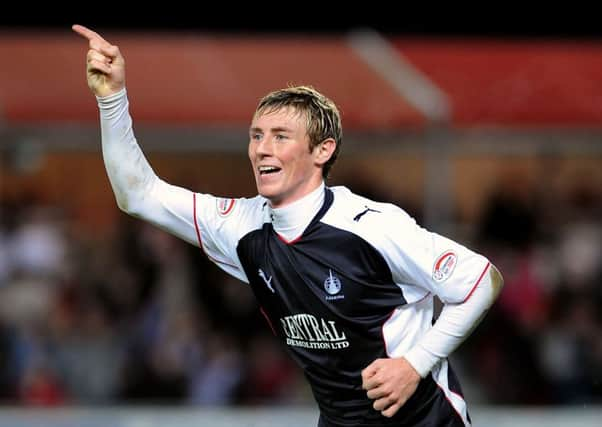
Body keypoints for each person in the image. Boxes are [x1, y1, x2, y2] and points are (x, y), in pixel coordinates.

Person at [72, 24, 504, 427]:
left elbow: (481, 280)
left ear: (322, 151)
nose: (262, 149)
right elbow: (139, 195)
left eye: (280, 136)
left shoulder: (372, 227)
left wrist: (414, 364)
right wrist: (111, 98)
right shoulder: (241, 226)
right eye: (256, 135)